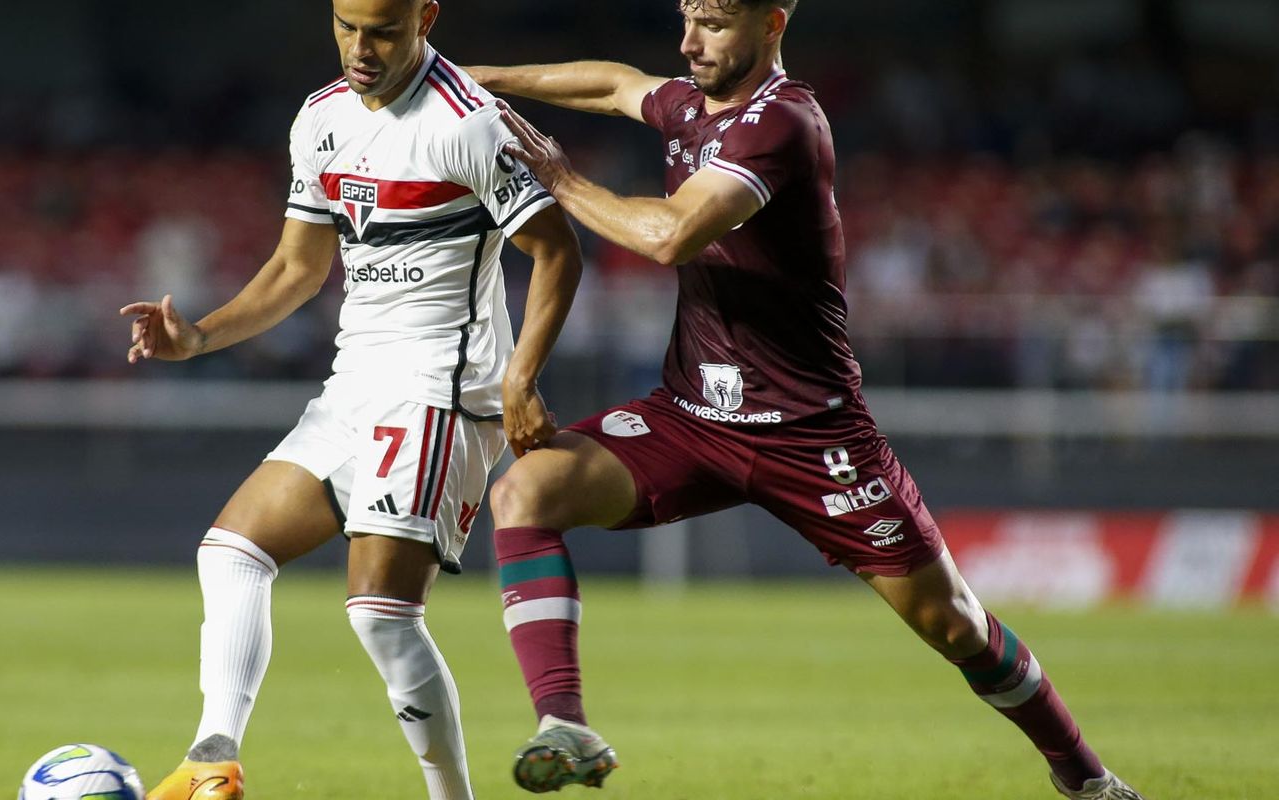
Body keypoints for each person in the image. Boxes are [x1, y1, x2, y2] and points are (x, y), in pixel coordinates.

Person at [465, 1, 1146, 798]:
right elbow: (614, 86)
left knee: (952, 622)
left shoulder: (784, 122)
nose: (689, 41)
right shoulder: (688, 102)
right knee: (526, 489)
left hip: (813, 437)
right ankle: (563, 723)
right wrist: (478, 80)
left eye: (713, 23)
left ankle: (1087, 780)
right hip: (693, 415)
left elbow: (668, 236)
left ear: (772, 23)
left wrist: (560, 177)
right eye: (686, 16)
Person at [122, 1, 582, 798]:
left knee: (379, 614)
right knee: (230, 554)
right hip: (357, 382)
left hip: (441, 389)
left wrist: (520, 376)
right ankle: (213, 759)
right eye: (345, 26)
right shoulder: (322, 116)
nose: (360, 48)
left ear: (425, 17)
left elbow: (557, 252)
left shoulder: (469, 122)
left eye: (382, 31)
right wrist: (199, 337)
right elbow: (298, 267)